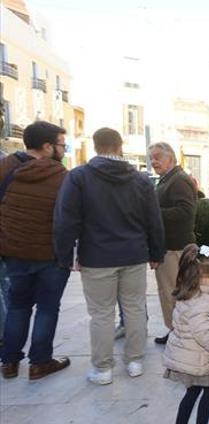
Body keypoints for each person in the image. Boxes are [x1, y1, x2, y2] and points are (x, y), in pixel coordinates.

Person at [54, 127, 165, 385]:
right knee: (135, 308)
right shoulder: (141, 180)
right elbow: (154, 221)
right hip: (134, 255)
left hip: (96, 257)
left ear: (95, 147)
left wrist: (64, 256)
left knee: (102, 314)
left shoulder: (79, 177)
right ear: (119, 146)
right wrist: (156, 252)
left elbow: (65, 221)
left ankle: (102, 369)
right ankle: (135, 362)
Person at [0, 121, 71, 380]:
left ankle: (9, 363)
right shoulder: (61, 175)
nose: (65, 150)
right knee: (47, 308)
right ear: (48, 146)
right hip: (50, 256)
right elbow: (69, 216)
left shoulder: (6, 167)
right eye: (62, 145)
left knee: (17, 307)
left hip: (14, 252)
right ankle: (40, 363)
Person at [163, 244, 209, 424]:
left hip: (187, 355)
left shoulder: (189, 293)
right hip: (198, 357)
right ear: (201, 277)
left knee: (193, 392)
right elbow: (203, 334)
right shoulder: (203, 301)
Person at [150, 142, 198, 345]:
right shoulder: (169, 179)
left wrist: (152, 213)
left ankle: (179, 333)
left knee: (173, 293)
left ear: (171, 158)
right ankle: (176, 331)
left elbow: (186, 213)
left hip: (175, 249)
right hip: (169, 248)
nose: (154, 161)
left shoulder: (178, 180)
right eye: (152, 157)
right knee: (170, 292)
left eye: (158, 157)